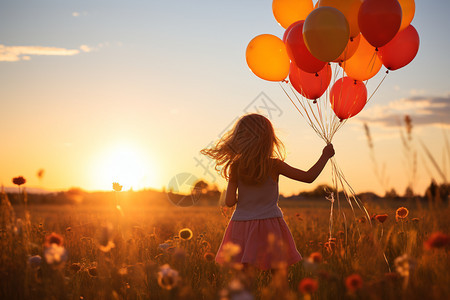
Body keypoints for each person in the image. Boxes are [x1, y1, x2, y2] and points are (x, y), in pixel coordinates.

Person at [201, 113, 335, 271]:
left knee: (244, 270)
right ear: (268, 139)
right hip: (269, 223)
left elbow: (229, 202)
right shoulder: (274, 165)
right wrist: (325, 156)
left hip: (241, 224)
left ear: (239, 138)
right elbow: (308, 177)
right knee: (275, 271)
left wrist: (244, 201)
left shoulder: (236, 167)